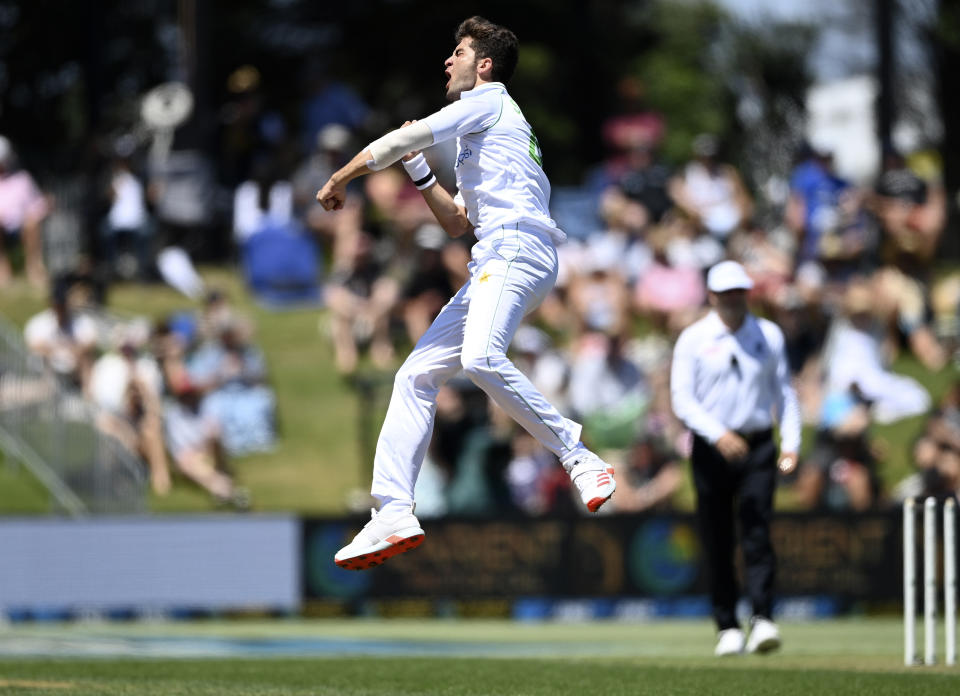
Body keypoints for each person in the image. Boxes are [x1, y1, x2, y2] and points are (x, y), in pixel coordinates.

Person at [317, 16, 617, 570]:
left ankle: (578, 456)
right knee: (414, 376)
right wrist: (419, 174)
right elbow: (457, 222)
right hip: (493, 258)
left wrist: (342, 176)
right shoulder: (483, 131)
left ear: (484, 64)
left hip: (517, 249)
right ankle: (392, 511)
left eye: (457, 52)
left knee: (480, 358)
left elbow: (405, 135)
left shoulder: (488, 101)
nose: (446, 61)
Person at [670, 260, 801, 656]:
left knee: (757, 529)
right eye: (726, 294)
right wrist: (718, 434)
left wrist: (791, 443)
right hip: (711, 448)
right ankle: (726, 624)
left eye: (739, 292)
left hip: (759, 444)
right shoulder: (694, 338)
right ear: (711, 296)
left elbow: (785, 394)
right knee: (717, 536)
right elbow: (682, 399)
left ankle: (762, 618)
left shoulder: (768, 334)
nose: (734, 300)